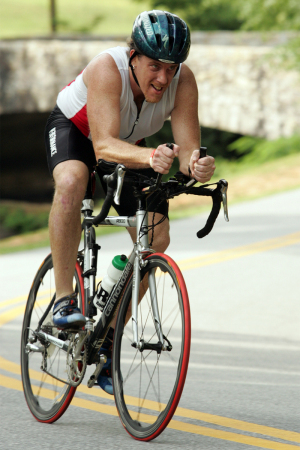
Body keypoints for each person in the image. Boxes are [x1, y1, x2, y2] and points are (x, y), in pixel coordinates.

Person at [44, 10, 215, 394]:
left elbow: (187, 151)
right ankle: (64, 299)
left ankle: (105, 337)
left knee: (156, 236)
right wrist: (152, 157)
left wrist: (197, 165)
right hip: (79, 130)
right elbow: (103, 146)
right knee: (72, 182)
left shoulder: (183, 81)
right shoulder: (108, 69)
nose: (163, 78)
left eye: (172, 68)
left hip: (131, 146)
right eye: (154, 65)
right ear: (134, 55)